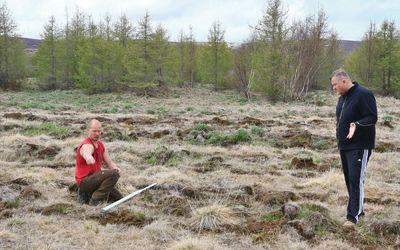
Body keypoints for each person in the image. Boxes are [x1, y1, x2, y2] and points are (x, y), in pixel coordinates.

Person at [331, 69, 377, 227]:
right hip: (344, 146)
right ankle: (359, 210)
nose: (334, 88)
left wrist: (357, 124)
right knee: (349, 180)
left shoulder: (363, 94)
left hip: (359, 145)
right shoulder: (342, 98)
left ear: (344, 81)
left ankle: (353, 217)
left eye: (335, 84)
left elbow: (372, 116)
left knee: (356, 180)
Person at [75, 119, 123, 205]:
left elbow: (110, 163)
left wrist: (116, 168)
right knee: (113, 174)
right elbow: (86, 151)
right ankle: (95, 200)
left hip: (96, 180)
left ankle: (88, 196)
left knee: (118, 198)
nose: (97, 134)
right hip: (85, 182)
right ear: (88, 130)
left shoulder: (101, 145)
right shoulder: (86, 144)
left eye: (99, 131)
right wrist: (88, 157)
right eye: (94, 131)